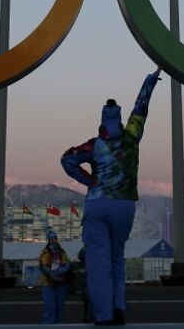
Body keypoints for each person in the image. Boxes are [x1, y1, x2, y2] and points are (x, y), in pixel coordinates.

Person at [61, 69, 161, 326]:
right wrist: (149, 82)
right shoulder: (132, 137)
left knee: (97, 262)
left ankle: (103, 315)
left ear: (103, 121)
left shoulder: (94, 145)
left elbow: (67, 159)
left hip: (98, 204)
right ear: (120, 118)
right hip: (125, 205)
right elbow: (141, 109)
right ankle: (118, 309)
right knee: (117, 257)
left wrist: (89, 181)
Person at [38, 229, 70, 324]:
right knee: (50, 307)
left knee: (59, 308)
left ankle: (57, 325)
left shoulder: (62, 252)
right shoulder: (45, 253)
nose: (54, 240)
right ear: (48, 240)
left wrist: (59, 272)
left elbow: (66, 264)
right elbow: (43, 266)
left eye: (55, 238)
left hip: (61, 283)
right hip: (48, 284)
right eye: (52, 239)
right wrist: (52, 274)